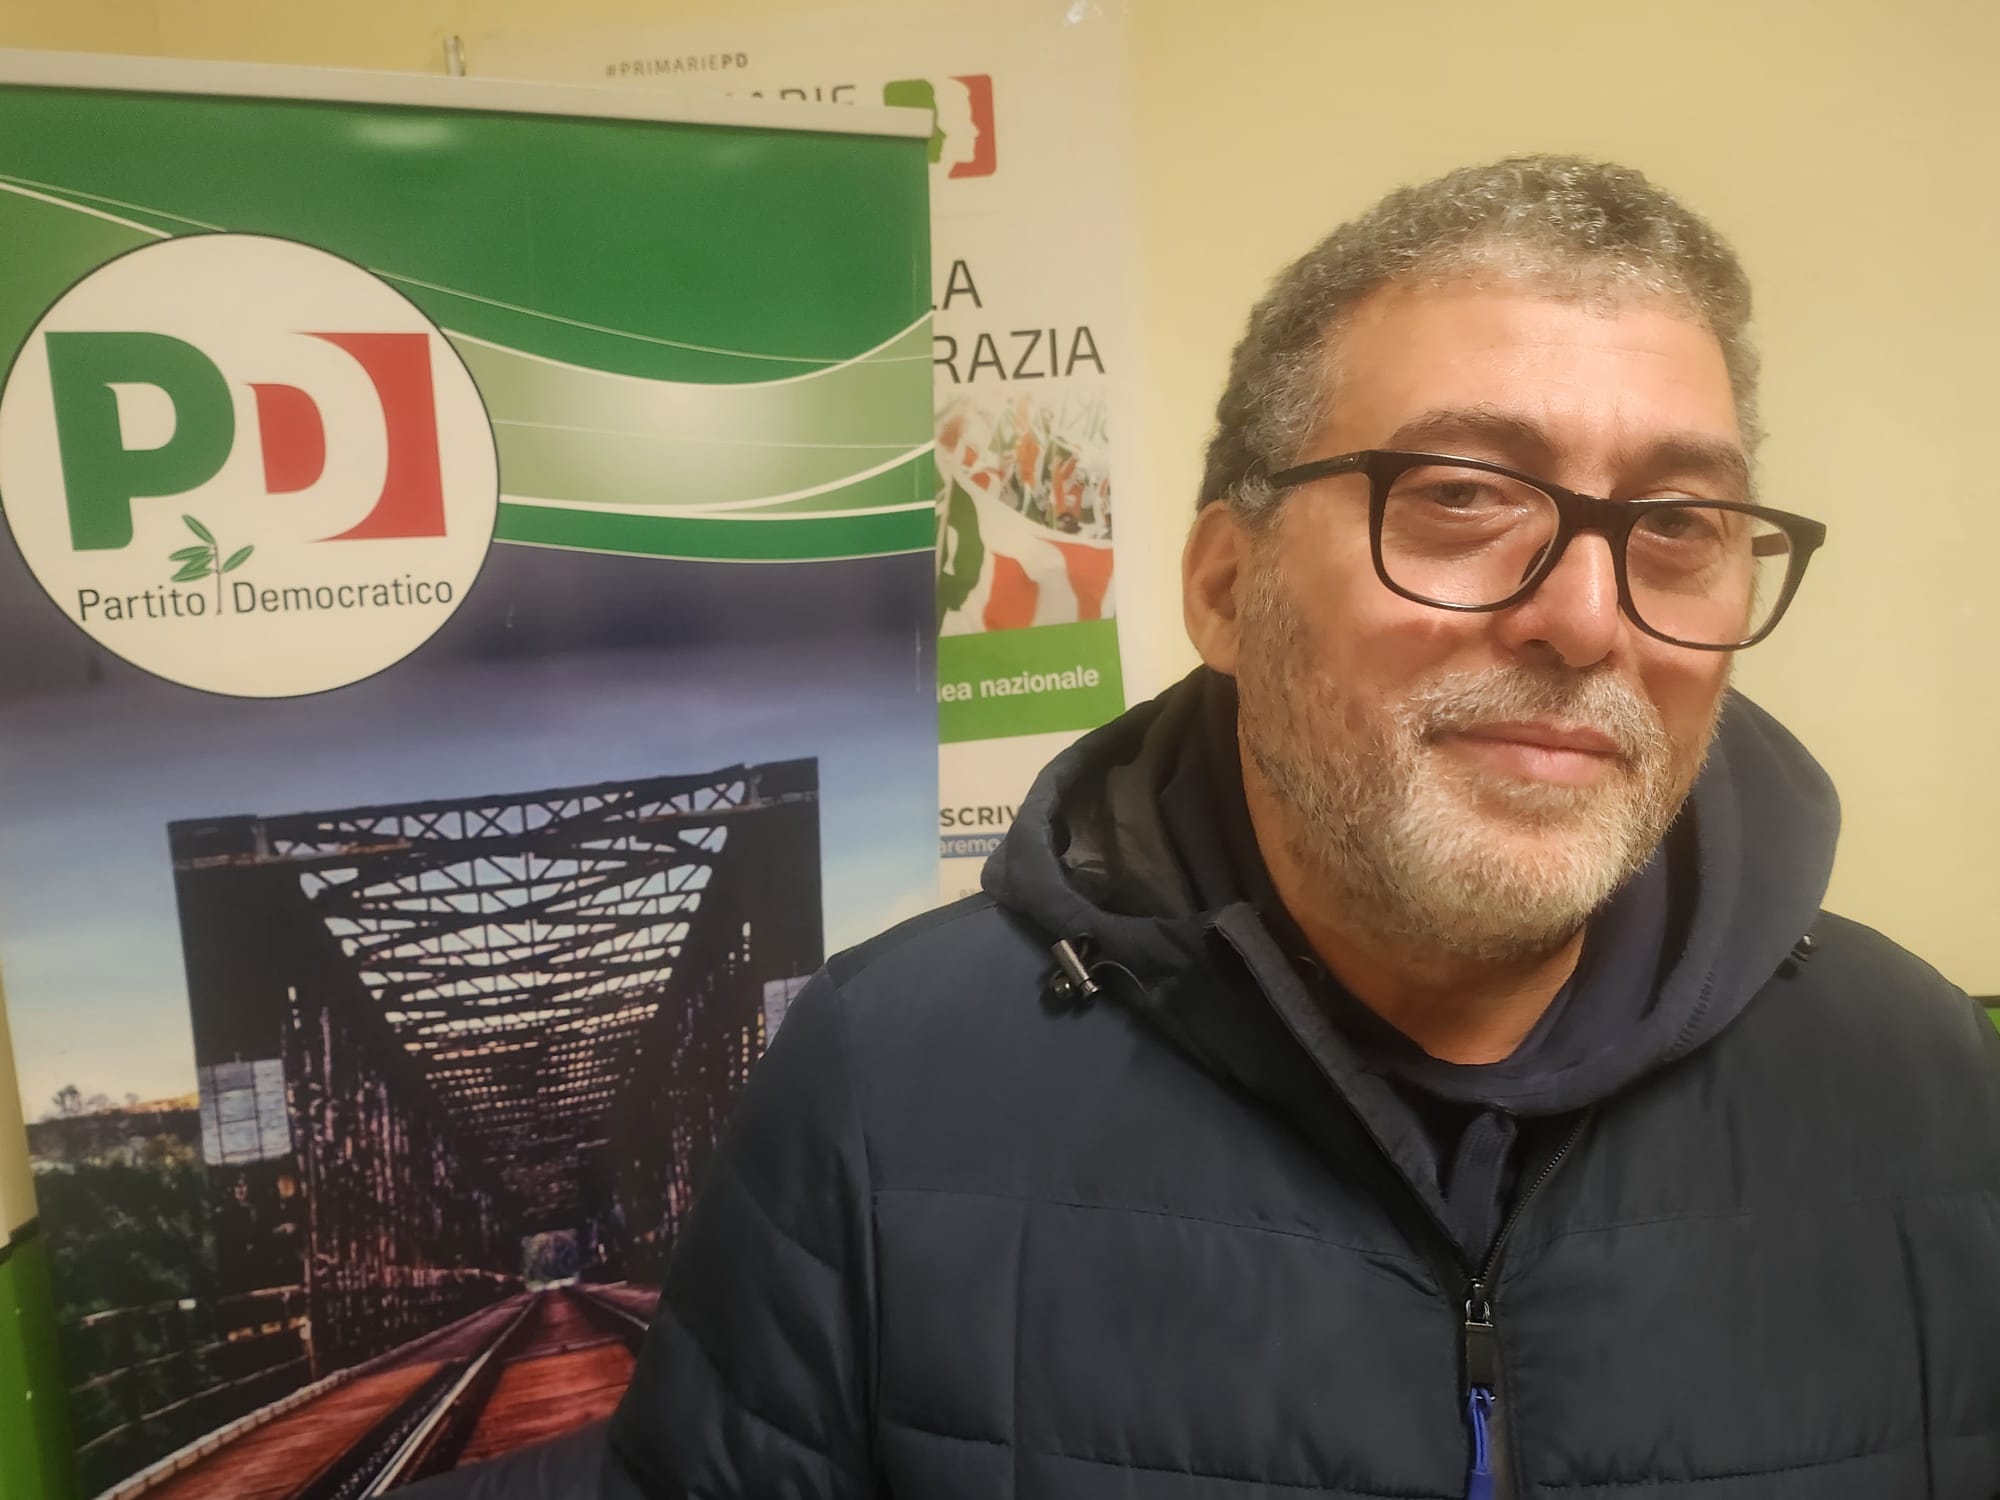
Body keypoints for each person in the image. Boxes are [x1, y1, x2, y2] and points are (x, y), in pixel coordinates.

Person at [429, 155, 2000, 1500]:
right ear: (1228, 588)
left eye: (1680, 526)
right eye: (1461, 494)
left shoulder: (1923, 1084)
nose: (1590, 619)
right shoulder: (885, 1093)